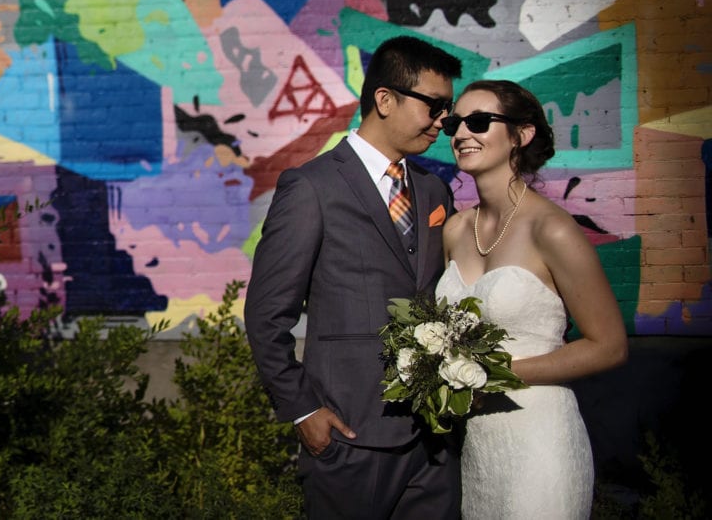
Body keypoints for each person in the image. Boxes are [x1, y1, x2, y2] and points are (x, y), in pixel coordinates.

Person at [245, 35, 463, 518]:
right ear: (385, 99)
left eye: (446, 108)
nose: (443, 120)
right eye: (433, 105)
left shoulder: (433, 191)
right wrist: (303, 411)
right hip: (350, 436)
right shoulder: (312, 187)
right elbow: (266, 315)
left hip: (434, 438)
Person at [435, 79, 628, 519]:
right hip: (479, 450)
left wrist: (490, 375)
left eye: (479, 122)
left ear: (522, 135)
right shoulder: (455, 230)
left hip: (541, 441)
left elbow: (610, 345)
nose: (462, 133)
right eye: (454, 123)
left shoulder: (552, 229)